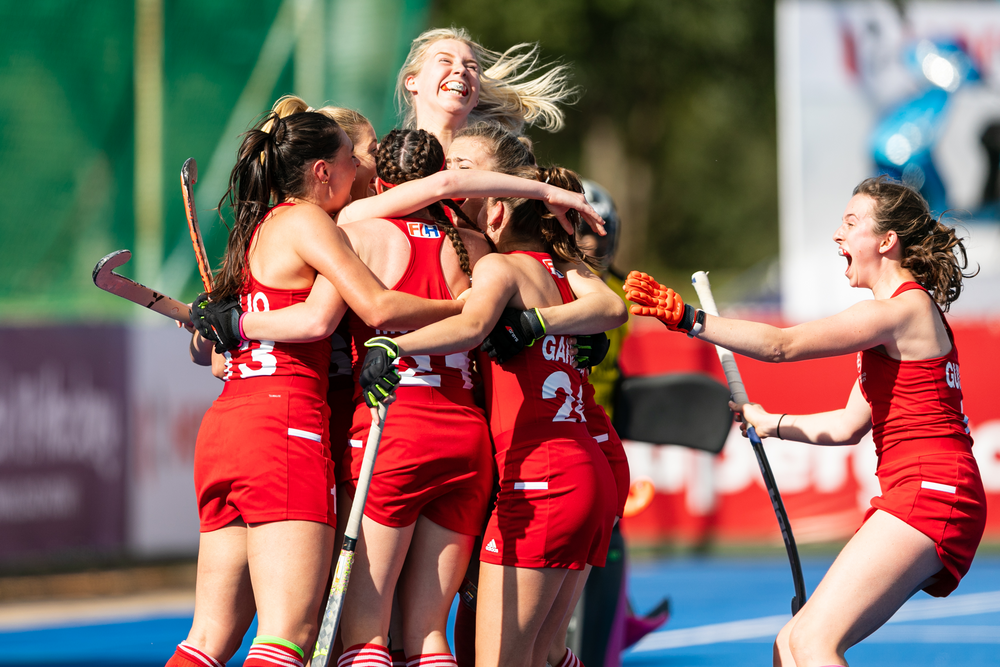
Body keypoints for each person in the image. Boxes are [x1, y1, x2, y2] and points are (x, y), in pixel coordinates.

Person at [624, 175, 986, 667]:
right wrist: (770, 422)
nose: (838, 234)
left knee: (814, 643)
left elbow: (782, 346)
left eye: (851, 223)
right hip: (925, 490)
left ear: (886, 241)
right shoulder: (894, 326)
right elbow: (846, 427)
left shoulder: (903, 309)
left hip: (933, 491)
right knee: (790, 645)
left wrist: (692, 321)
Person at [172, 109, 486, 667]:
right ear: (322, 170)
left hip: (229, 426)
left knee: (208, 640)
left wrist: (231, 324)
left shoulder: (256, 227)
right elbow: (367, 309)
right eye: (351, 158)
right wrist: (467, 311)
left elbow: (210, 351)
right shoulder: (316, 223)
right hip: (286, 428)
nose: (361, 169)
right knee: (289, 638)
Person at [359, 164, 625, 667]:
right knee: (547, 653)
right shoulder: (567, 270)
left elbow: (472, 325)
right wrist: (543, 322)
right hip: (588, 469)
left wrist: (396, 348)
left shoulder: (500, 268)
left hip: (542, 475)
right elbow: (613, 307)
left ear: (499, 211)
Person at [396, 26, 577, 152]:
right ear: (412, 82)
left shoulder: (503, 163)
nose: (461, 69)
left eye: (472, 67)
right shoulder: (387, 161)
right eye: (445, 60)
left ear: (476, 98)